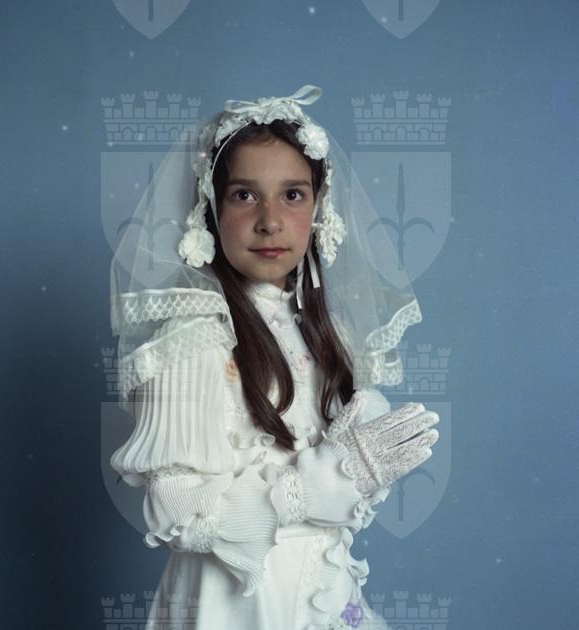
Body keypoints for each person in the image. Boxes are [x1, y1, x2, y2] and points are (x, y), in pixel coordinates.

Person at [108, 85, 440, 630]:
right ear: (211, 209)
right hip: (236, 605)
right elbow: (174, 510)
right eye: (245, 195)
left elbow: (337, 497)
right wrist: (311, 486)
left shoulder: (322, 332)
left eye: (292, 194)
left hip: (320, 593)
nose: (270, 219)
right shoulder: (192, 338)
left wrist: (359, 466)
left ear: (319, 207)